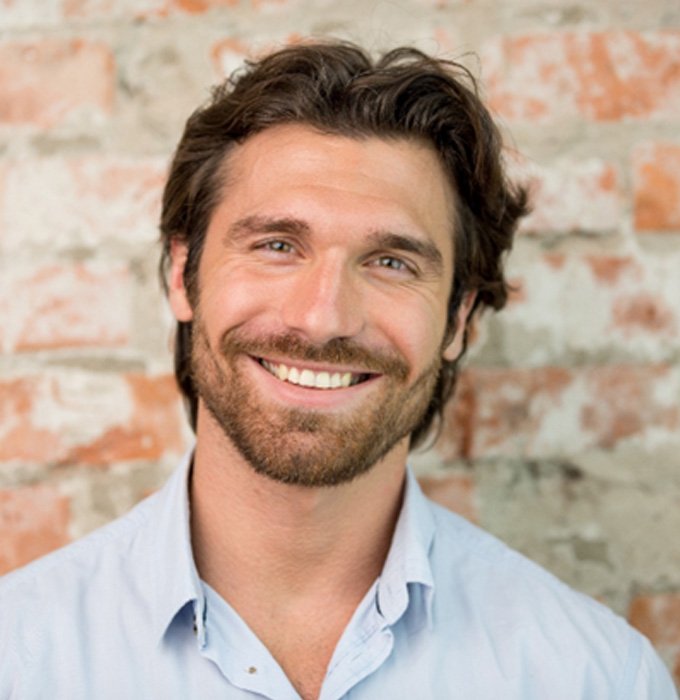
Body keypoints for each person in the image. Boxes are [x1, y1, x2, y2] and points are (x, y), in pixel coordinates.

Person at [0, 40, 677, 700]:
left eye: (391, 263)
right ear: (183, 273)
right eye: (277, 245)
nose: (322, 318)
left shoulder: (595, 678)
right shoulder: (20, 658)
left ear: (460, 320)